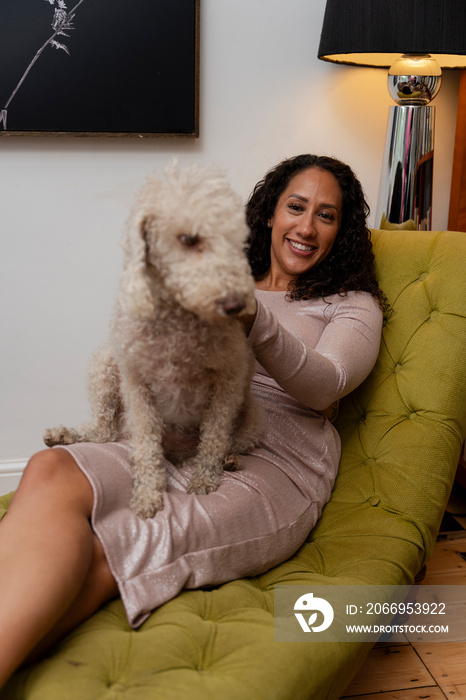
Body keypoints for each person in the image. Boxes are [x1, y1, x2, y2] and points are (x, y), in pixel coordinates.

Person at [0, 154, 386, 688]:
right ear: (270, 214)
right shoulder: (215, 276)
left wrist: (252, 312)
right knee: (49, 470)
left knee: (117, 542)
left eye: (326, 215)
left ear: (341, 231)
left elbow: (326, 385)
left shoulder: (352, 304)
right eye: (296, 207)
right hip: (180, 427)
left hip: (273, 463)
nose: (306, 226)